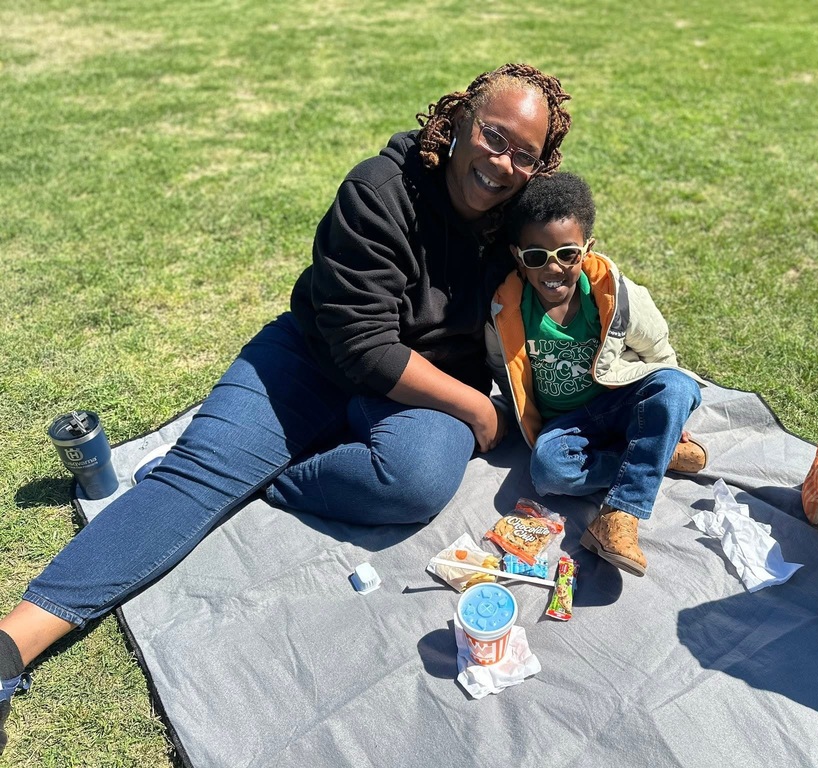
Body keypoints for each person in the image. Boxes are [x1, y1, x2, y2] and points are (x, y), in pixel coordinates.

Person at [0, 63, 573, 754]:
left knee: (418, 476)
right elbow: (363, 348)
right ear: (454, 123)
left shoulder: (521, 217)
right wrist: (476, 412)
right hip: (316, 358)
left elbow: (576, 284)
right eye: (493, 134)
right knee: (193, 480)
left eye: (525, 154)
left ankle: (272, 477)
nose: (502, 162)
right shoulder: (379, 190)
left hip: (421, 390)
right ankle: (11, 646)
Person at [485, 172, 707, 578]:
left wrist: (670, 415)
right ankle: (653, 453)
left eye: (567, 254)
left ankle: (619, 515)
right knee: (547, 471)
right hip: (567, 426)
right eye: (537, 257)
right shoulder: (506, 312)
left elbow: (660, 354)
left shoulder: (618, 296)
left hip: (618, 403)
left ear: (587, 249)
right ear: (518, 256)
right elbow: (504, 373)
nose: (553, 268)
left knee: (679, 386)